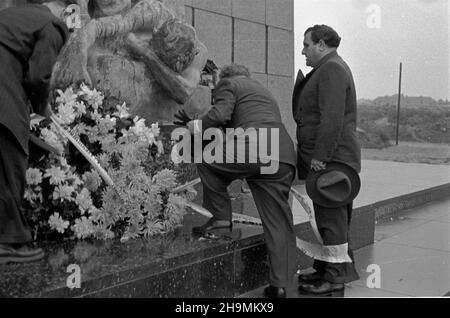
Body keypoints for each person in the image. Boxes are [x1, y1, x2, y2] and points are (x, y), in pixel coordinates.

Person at [175, 64, 298, 298]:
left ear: (225, 77)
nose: (215, 88)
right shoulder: (261, 90)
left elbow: (221, 114)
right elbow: (235, 122)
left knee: (206, 159)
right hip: (282, 154)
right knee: (278, 221)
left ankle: (221, 220)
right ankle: (280, 285)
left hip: (255, 148)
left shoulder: (229, 84)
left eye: (215, 83)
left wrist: (195, 126)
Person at [0, 0, 72, 264]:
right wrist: (43, 106)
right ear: (64, 9)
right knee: (10, 164)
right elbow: (38, 76)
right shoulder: (52, 24)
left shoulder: (13, 15)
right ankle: (8, 242)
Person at [292, 24, 361, 295]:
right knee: (328, 218)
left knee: (331, 220)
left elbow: (331, 117)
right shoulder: (330, 67)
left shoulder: (331, 69)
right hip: (333, 159)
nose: (303, 50)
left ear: (322, 44)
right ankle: (326, 269)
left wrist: (320, 157)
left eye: (307, 45)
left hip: (331, 160)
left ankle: (333, 278)